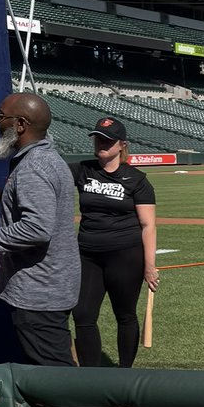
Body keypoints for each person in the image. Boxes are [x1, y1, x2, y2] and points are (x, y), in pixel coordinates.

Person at [0, 92, 90, 407]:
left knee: (54, 368)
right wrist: (4, 199)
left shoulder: (34, 167)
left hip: (40, 287)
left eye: (2, 116)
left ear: (21, 125)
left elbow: (37, 228)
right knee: (39, 367)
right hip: (44, 282)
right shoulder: (43, 160)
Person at [71, 116, 159, 367]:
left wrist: (149, 265)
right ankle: (92, 377)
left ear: (122, 144)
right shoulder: (82, 170)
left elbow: (148, 225)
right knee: (83, 314)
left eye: (108, 140)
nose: (101, 143)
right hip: (88, 254)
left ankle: (124, 374)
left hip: (125, 255)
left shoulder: (137, 179)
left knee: (125, 315)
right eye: (98, 138)